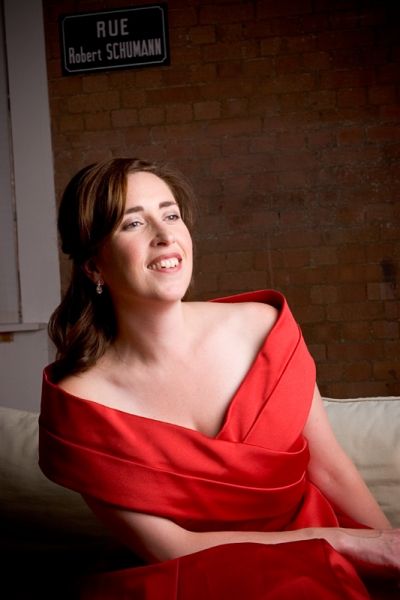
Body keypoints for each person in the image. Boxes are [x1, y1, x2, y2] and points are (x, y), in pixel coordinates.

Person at [39, 157, 399, 599]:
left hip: (320, 549)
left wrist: (386, 548)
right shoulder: (78, 403)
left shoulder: (263, 328)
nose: (165, 235)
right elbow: (172, 548)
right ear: (94, 266)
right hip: (196, 573)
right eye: (133, 223)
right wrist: (339, 540)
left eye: (171, 215)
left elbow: (330, 468)